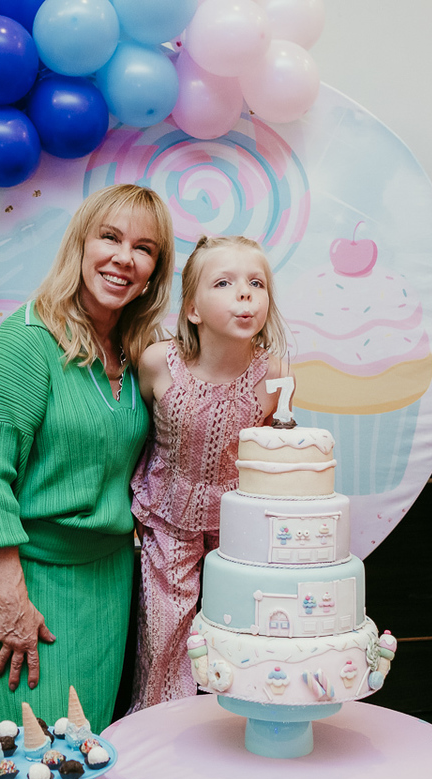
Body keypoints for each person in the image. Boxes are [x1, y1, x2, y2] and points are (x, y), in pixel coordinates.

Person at [0, 184, 175, 779]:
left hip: (106, 578)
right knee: (34, 765)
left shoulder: (133, 355)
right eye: (110, 237)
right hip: (30, 581)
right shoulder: (25, 344)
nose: (123, 258)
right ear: (79, 244)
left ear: (156, 269)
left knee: (83, 756)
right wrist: (12, 604)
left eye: (144, 248)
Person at [128, 234, 291, 712]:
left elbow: (275, 458)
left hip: (237, 529)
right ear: (193, 308)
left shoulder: (275, 375)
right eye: (224, 282)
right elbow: (131, 436)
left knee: (235, 632)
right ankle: (161, 733)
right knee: (163, 638)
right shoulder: (158, 363)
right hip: (166, 520)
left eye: (256, 283)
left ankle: (234, 732)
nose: (245, 294)